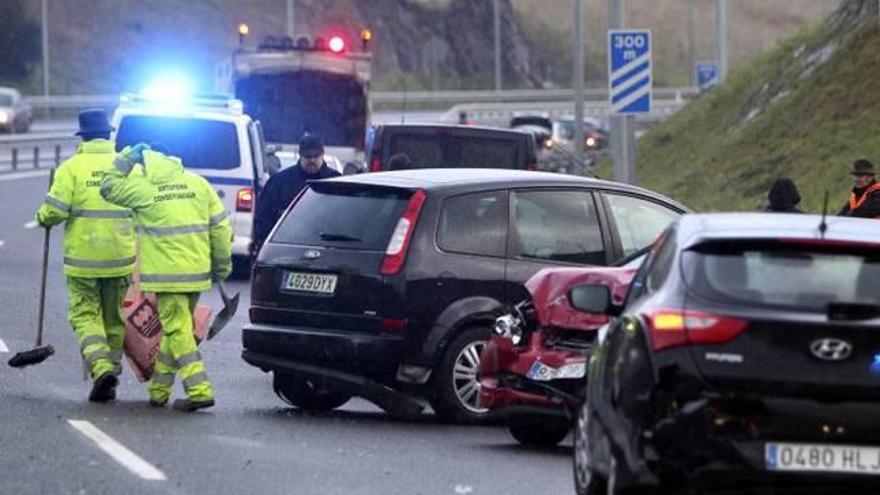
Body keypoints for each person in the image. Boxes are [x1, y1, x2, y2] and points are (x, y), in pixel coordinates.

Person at [100, 143, 232, 412]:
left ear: (146, 163)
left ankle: (199, 390)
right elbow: (220, 227)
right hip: (196, 274)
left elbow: (108, 187)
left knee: (178, 331)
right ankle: (159, 391)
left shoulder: (144, 189)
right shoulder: (198, 184)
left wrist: (125, 159)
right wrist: (221, 266)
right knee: (176, 331)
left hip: (167, 277)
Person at [34, 109, 135, 403]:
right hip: (120, 257)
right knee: (113, 319)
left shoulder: (71, 168)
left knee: (85, 315)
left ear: (83, 137)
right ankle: (111, 376)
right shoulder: (126, 167)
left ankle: (101, 368)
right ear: (108, 135)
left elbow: (54, 211)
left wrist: (42, 217)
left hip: (84, 261)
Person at [252, 134, 340, 252]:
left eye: (316, 156)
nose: (312, 160)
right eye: (308, 156)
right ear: (300, 155)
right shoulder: (280, 182)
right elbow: (264, 215)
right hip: (287, 246)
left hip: (327, 246)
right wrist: (266, 246)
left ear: (322, 155)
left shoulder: (336, 182)